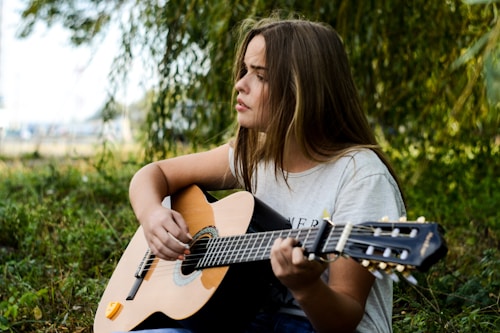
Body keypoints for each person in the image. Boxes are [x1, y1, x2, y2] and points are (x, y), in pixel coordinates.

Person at [127, 15, 406, 333]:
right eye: (244, 70)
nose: (239, 84)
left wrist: (307, 288)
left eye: (259, 76)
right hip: (249, 319)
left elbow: (343, 320)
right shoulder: (255, 155)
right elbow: (153, 174)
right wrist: (152, 216)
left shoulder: (362, 178)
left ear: (302, 90)